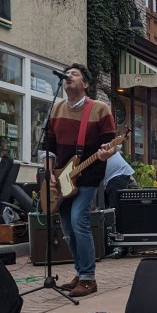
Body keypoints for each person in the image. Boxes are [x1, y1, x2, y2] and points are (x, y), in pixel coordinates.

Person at [41, 63, 115, 298]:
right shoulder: (56, 109)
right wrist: (49, 175)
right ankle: (80, 271)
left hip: (88, 175)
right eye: (67, 74)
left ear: (86, 84)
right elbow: (48, 148)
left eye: (74, 74)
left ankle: (88, 278)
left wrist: (107, 153)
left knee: (78, 220)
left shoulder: (100, 109)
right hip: (61, 177)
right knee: (66, 227)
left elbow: (111, 144)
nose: (68, 77)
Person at [103, 142, 138, 210]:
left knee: (115, 208)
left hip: (117, 174)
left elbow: (118, 145)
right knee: (109, 209)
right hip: (114, 176)